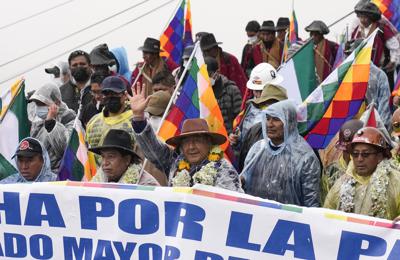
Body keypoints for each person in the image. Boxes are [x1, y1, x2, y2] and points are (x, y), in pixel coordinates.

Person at [128, 84, 243, 192]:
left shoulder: (224, 170)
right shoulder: (175, 162)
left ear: (209, 143)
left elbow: (232, 205)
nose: (191, 147)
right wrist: (138, 117)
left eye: (197, 140)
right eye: (186, 142)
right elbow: (152, 149)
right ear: (181, 146)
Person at [241, 100, 321, 207]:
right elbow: (244, 183)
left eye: (276, 119)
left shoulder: (305, 157)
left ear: (289, 122)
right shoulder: (257, 149)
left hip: (290, 220)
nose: (270, 124)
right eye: (268, 118)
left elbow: (311, 202)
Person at [324, 127, 400, 220]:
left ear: (379, 156)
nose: (359, 159)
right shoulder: (342, 183)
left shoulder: (396, 181)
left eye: (365, 154)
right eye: (355, 154)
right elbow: (326, 216)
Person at [229, 62, 284, 150]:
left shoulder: (283, 109)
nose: (258, 95)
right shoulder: (250, 107)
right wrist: (237, 140)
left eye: (261, 90)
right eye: (255, 90)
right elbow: (244, 137)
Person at [86, 76, 135, 166]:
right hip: (98, 176)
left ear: (124, 95)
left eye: (114, 94)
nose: (110, 97)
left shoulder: (135, 120)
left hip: (129, 174)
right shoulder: (93, 122)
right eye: (106, 94)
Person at [237, 84, 288, 171]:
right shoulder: (253, 131)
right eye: (265, 107)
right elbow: (243, 165)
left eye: (274, 108)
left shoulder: (298, 146)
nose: (270, 123)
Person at [344, 39, 391, 131]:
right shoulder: (347, 74)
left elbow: (384, 106)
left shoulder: (379, 75)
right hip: (351, 126)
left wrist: (380, 130)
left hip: (372, 125)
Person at [351, 2, 399, 89]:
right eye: (361, 17)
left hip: (380, 70)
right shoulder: (356, 31)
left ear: (372, 17)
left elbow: (394, 46)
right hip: (360, 72)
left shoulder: (381, 29)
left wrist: (392, 61)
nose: (363, 20)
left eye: (365, 17)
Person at [29, 83, 76, 171]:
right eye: (37, 104)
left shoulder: (70, 119)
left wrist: (51, 123)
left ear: (57, 103)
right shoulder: (39, 122)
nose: (38, 107)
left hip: (60, 175)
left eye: (42, 104)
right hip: (40, 174)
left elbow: (67, 149)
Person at [90, 129, 159, 185]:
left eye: (110, 156)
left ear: (127, 160)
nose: (105, 163)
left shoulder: (147, 185)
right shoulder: (98, 180)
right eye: (103, 157)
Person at [320, 119, 363, 202]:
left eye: (353, 152)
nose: (348, 156)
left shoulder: (370, 170)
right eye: (345, 151)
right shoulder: (331, 171)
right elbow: (324, 200)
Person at [204, 57, 242, 134]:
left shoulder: (232, 90)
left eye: (209, 75)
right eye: (204, 75)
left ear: (217, 72)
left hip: (229, 137)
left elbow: (239, 118)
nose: (206, 78)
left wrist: (234, 135)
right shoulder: (201, 92)